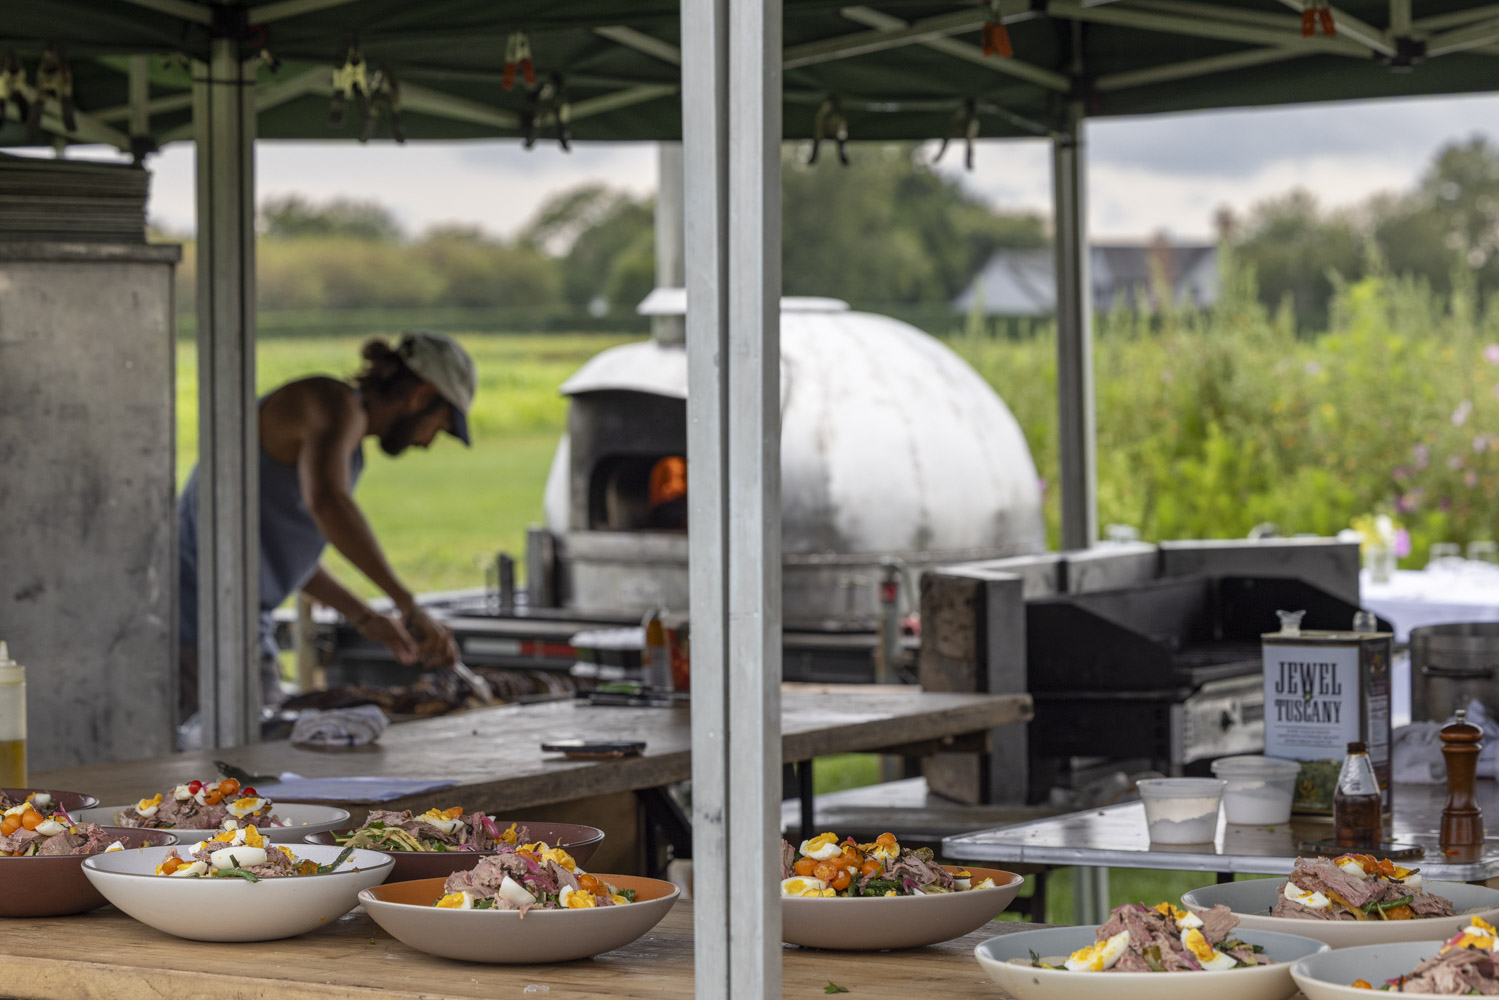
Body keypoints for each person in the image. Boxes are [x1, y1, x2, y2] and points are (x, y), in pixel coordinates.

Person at [177, 331, 475, 723]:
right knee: (222, 770)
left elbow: (287, 556)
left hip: (233, 628)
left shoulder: (343, 442)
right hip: (198, 630)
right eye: (441, 425)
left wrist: (366, 618)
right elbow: (329, 503)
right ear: (420, 396)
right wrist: (408, 605)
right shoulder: (333, 405)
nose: (429, 441)